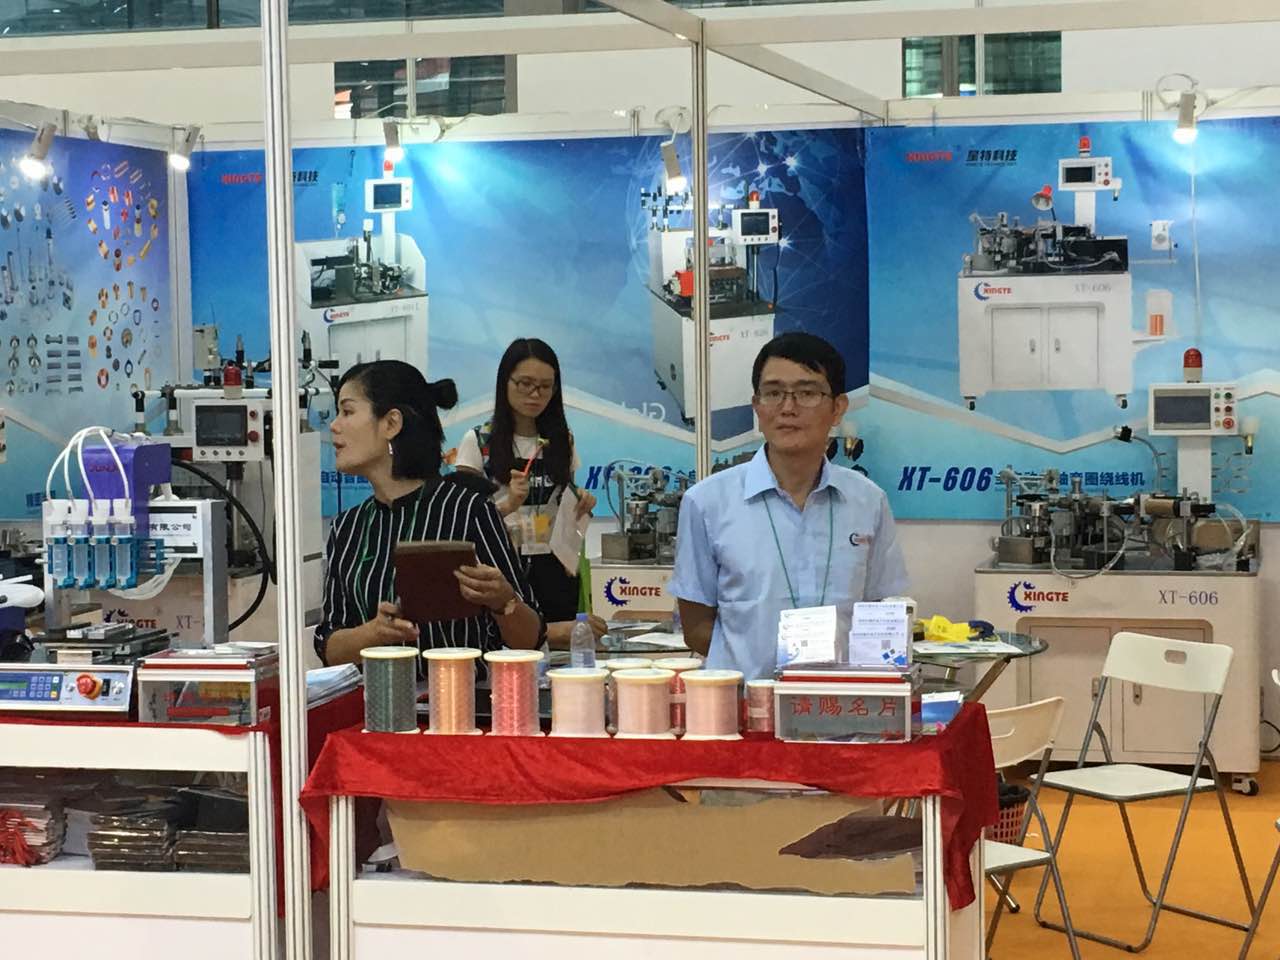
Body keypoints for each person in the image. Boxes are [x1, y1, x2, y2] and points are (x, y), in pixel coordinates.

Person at [667, 332, 909, 680]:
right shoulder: (707, 503)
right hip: (745, 703)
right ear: (757, 406)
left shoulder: (868, 501)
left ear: (838, 408)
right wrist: (755, 668)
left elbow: (878, 612)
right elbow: (695, 627)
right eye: (773, 393)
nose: (788, 408)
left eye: (807, 393)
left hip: (838, 703)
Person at [315, 360, 542, 668]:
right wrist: (373, 633)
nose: (334, 425)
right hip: (375, 696)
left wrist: (503, 600)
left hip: (461, 695)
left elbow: (530, 640)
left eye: (347, 411)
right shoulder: (347, 527)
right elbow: (328, 647)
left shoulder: (469, 511)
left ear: (391, 423)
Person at [454, 338, 607, 647]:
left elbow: (566, 493)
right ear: (505, 382)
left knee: (560, 654)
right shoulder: (478, 441)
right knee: (511, 648)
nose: (535, 395)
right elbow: (461, 522)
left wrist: (581, 500)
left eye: (545, 387)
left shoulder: (562, 440)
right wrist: (507, 504)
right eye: (525, 384)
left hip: (555, 566)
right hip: (503, 567)